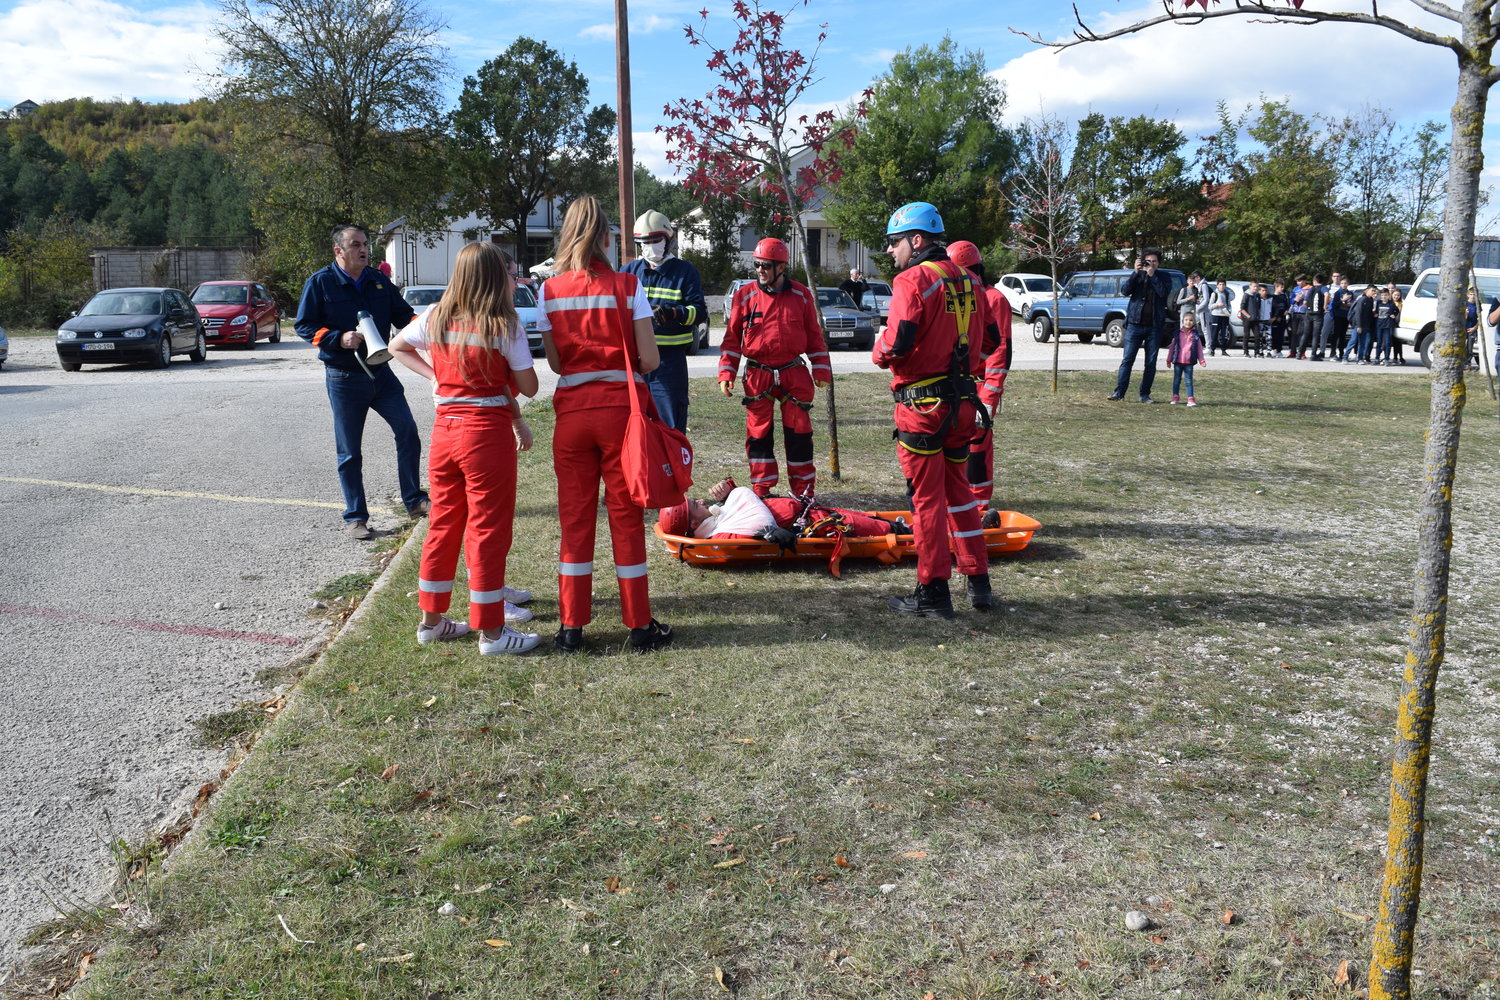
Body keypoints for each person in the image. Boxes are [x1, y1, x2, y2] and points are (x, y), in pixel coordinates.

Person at [388, 243, 542, 655]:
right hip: (485, 437)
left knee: (442, 526)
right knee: (487, 531)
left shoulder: (437, 315)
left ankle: (431, 622)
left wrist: (435, 375)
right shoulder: (503, 325)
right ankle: (492, 632)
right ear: (496, 278)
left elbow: (397, 347)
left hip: (445, 434)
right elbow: (529, 387)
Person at [537, 195, 672, 653]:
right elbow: (650, 359)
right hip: (621, 416)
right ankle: (638, 625)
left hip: (572, 415)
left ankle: (571, 627)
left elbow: (555, 364)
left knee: (575, 521)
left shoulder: (549, 290)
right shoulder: (627, 286)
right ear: (605, 237)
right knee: (626, 518)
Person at [872, 201, 998, 617]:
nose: (891, 250)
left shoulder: (912, 280)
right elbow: (992, 342)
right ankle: (978, 582)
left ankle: (933, 592)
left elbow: (898, 342)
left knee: (926, 502)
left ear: (917, 239)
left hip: (922, 408)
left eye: (895, 242)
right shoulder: (973, 282)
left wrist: (879, 347)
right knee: (961, 494)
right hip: (963, 405)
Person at [295, 224, 429, 540]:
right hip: (344, 378)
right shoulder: (321, 283)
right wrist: (336, 338)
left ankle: (414, 501)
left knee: (408, 431)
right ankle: (356, 517)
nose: (363, 249)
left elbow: (405, 317)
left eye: (365, 244)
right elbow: (304, 326)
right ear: (338, 251)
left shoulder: (378, 280)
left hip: (381, 374)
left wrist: (426, 326)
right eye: (355, 244)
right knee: (350, 452)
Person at [718, 237, 831, 498]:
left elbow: (814, 336)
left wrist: (821, 369)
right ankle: (762, 489)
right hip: (758, 374)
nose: (760, 270)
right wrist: (726, 372)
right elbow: (732, 339)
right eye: (757, 265)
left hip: (794, 373)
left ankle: (804, 492)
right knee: (758, 435)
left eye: (766, 266)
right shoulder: (745, 296)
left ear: (781, 267)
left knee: (800, 434)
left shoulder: (801, 295)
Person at [622, 209, 706, 433]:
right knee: (634, 426)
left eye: (655, 240)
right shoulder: (628, 272)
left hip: (669, 362)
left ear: (668, 239)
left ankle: (671, 467)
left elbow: (699, 312)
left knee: (669, 426)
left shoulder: (684, 271)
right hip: (635, 362)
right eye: (644, 242)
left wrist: (675, 313)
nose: (650, 246)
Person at [947, 240, 1012, 524]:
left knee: (977, 447)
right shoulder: (961, 296)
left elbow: (1000, 352)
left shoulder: (993, 299)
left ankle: (980, 509)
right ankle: (958, 505)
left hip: (980, 385)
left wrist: (988, 399)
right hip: (956, 384)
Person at [658, 478, 902, 541]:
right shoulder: (718, 535)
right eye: (694, 505)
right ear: (692, 524)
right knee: (885, 529)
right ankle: (915, 535)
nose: (700, 501)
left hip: (813, 514)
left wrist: (728, 491)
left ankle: (903, 528)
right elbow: (752, 527)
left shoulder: (714, 520)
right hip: (815, 524)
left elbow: (738, 508)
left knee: (873, 519)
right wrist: (766, 533)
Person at [1110, 249, 1171, 402]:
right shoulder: (1138, 275)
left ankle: (1144, 394)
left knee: (1150, 363)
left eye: (1154, 261)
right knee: (1127, 360)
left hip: (1154, 327)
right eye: (1148, 261)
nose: (1151, 264)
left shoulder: (1164, 276)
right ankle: (1119, 393)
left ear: (1159, 263)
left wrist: (1152, 275)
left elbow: (1164, 293)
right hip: (1134, 325)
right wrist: (1135, 273)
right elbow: (1125, 291)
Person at [1166, 312, 1207, 407]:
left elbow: (1199, 349)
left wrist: (1202, 360)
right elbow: (1172, 348)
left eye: (1191, 320)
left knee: (1188, 381)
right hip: (1178, 362)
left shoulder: (1195, 335)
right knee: (1176, 380)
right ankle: (1175, 397)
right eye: (1186, 320)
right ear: (1182, 321)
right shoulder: (1177, 334)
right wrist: (1169, 359)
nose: (1188, 322)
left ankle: (1190, 398)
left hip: (1189, 362)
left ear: (1194, 322)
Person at [1206, 279, 1234, 357]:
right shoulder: (1214, 294)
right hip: (1216, 316)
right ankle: (1212, 349)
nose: (1221, 286)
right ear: (1217, 285)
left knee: (1224, 334)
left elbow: (1229, 304)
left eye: (1223, 285)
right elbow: (1210, 306)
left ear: (1225, 286)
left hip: (1224, 316)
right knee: (1214, 333)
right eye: (1220, 284)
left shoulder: (1227, 294)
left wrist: (1229, 312)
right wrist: (1217, 305)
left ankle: (1223, 350)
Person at [1374, 288, 1399, 365]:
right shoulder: (1378, 302)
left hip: (1387, 325)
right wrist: (1375, 314)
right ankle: (1377, 358)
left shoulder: (1391, 303)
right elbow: (1375, 312)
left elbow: (1397, 310)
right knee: (1379, 342)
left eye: (1385, 295)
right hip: (1379, 325)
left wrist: (1393, 315)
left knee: (1388, 342)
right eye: (1382, 295)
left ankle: (1387, 359)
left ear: (1388, 296)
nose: (1384, 297)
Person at [1238, 281, 1260, 358]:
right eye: (1254, 286)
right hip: (1247, 319)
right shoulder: (1246, 295)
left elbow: (1258, 307)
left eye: (1257, 286)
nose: (1255, 288)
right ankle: (1245, 352)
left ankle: (1257, 352)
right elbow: (1242, 308)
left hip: (1255, 319)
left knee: (1257, 336)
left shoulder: (1257, 295)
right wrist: (1248, 316)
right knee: (1246, 335)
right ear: (1250, 286)